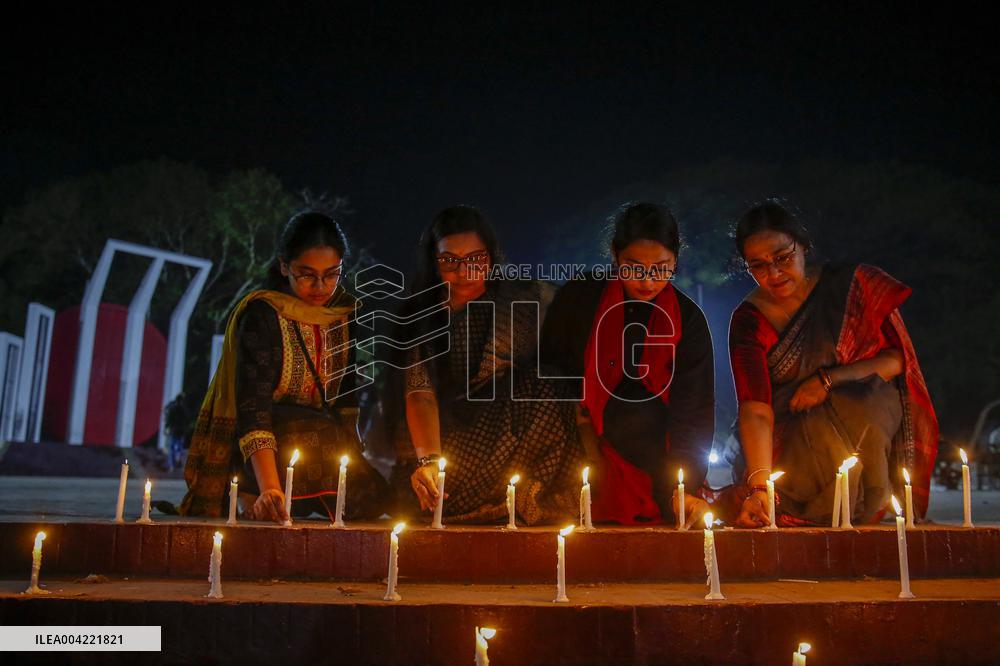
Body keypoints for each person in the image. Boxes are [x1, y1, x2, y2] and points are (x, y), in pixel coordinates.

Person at [726, 200, 938, 527]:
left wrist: (829, 380)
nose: (774, 273)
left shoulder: (853, 286)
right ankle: (792, 502)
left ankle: (866, 501)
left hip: (865, 414)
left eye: (783, 257)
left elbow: (897, 361)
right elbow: (755, 407)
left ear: (803, 246)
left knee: (862, 402)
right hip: (793, 434)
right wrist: (760, 485)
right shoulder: (749, 321)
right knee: (807, 442)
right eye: (759, 265)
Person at [180, 211, 388, 522]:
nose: (320, 286)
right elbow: (253, 407)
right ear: (284, 266)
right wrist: (269, 489)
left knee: (374, 501)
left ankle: (303, 497)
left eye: (332, 274)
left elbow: (346, 397)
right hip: (268, 444)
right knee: (286, 475)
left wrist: (353, 459)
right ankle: (254, 494)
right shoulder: (262, 314)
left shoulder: (344, 315)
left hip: (325, 443)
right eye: (306, 274)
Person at [395, 205, 583, 524]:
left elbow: (574, 318)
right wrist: (429, 459)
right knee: (444, 486)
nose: (464, 270)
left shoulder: (522, 300)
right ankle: (492, 500)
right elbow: (420, 392)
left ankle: (524, 495)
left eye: (475, 259)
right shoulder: (423, 315)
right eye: (449, 260)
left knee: (548, 383)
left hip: (514, 429)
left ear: (491, 257)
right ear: (433, 261)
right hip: (451, 440)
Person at [541, 203, 715, 527]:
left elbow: (694, 409)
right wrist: (583, 429)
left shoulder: (687, 320)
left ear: (676, 261)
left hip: (653, 448)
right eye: (634, 268)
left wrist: (684, 486)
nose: (648, 281)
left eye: (661, 268)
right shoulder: (581, 297)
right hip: (576, 434)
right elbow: (551, 368)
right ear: (615, 255)